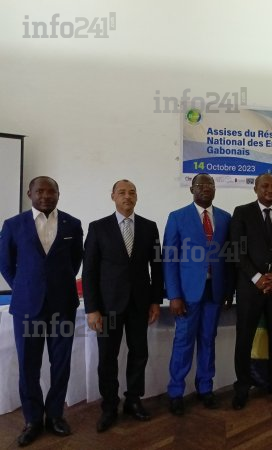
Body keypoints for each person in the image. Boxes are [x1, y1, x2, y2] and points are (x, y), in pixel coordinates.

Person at [0, 176, 83, 446]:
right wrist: (25, 286)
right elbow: (5, 263)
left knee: (60, 363)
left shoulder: (73, 224)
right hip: (27, 307)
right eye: (40, 191)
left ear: (59, 194)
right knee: (28, 365)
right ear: (30, 194)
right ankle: (33, 419)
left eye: (51, 191)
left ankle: (55, 416)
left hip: (63, 306)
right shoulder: (13, 225)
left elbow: (75, 261)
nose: (46, 196)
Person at [82, 180, 163, 432]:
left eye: (132, 192)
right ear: (113, 197)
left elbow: (157, 267)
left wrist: (155, 300)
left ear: (136, 197)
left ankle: (133, 400)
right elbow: (89, 271)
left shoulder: (149, 227)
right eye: (122, 192)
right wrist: (92, 309)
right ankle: (109, 405)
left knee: (139, 354)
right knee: (108, 357)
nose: (127, 196)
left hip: (139, 304)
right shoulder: (98, 227)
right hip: (107, 307)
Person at [163, 173, 233, 415]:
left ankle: (205, 388)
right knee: (183, 342)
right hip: (186, 294)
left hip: (214, 292)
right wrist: (174, 295)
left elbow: (229, 258)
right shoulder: (177, 217)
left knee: (208, 340)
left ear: (215, 189)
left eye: (210, 184)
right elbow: (169, 258)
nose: (205, 188)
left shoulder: (225, 218)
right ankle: (176, 392)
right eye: (200, 185)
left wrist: (229, 290)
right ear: (191, 189)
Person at [230, 173, 272, 410]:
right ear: (255, 189)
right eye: (265, 186)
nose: (270, 190)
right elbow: (237, 250)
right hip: (250, 288)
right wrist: (257, 278)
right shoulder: (242, 212)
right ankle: (242, 386)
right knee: (244, 339)